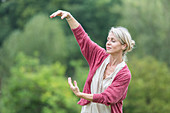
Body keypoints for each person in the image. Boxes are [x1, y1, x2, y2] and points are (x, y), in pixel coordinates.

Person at [50, 10, 135, 113]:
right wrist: (69, 17)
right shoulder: (99, 56)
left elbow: (108, 98)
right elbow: (83, 39)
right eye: (108, 40)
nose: (108, 43)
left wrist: (81, 95)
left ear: (124, 45)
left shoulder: (124, 74)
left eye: (113, 41)